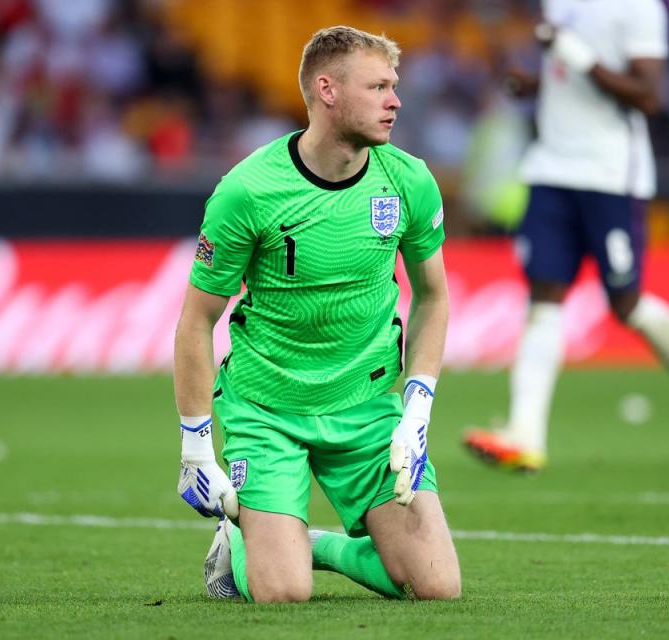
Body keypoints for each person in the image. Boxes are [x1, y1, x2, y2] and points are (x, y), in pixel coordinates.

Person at [173, 25, 460, 603]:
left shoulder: (408, 180)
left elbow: (433, 295)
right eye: (378, 87)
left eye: (394, 86)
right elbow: (196, 320)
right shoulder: (247, 191)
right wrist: (196, 445)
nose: (395, 100)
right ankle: (248, 537)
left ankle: (313, 543)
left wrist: (418, 406)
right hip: (268, 408)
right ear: (327, 91)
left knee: (437, 586)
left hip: (367, 408)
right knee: (283, 595)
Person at [464, 0, 669, 472]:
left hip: (609, 174)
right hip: (551, 167)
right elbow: (567, 82)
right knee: (544, 294)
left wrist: (576, 55)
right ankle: (525, 434)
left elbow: (649, 96)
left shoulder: (638, 8)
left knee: (625, 303)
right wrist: (534, 84)